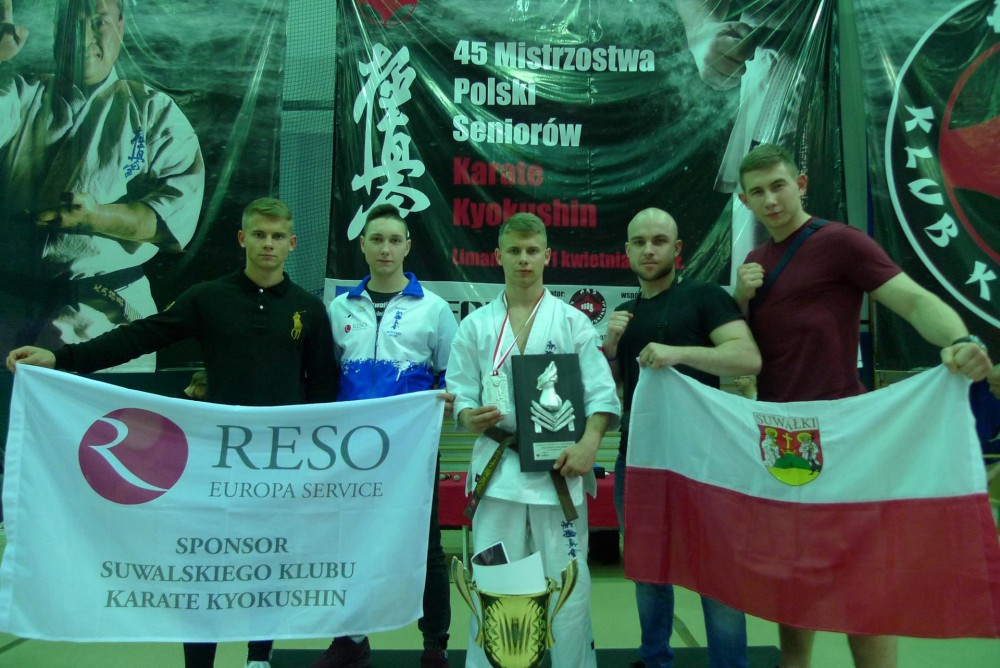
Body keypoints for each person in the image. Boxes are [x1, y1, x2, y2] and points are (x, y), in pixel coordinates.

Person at [6, 197, 338, 668]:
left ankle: (258, 658)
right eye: (259, 234)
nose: (268, 244)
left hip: (277, 463)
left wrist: (309, 460)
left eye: (277, 236)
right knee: (205, 568)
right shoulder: (208, 297)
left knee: (267, 563)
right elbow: (139, 336)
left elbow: (323, 390)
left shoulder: (309, 309)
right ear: (242, 238)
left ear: (292, 243)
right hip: (214, 464)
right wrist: (61, 358)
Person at [732, 143, 993, 668]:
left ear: (800, 184)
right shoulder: (754, 264)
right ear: (746, 201)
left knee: (861, 576)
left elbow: (912, 299)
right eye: (758, 192)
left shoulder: (840, 242)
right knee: (794, 573)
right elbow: (743, 352)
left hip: (843, 434)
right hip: (782, 436)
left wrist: (961, 339)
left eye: (778, 186)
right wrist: (739, 297)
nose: (771, 200)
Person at [446, 212, 620, 668]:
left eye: (531, 250)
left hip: (557, 472)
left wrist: (590, 445)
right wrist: (467, 414)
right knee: (495, 584)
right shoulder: (476, 326)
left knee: (568, 586)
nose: (523, 259)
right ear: (498, 256)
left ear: (547, 256)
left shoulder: (573, 323)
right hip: (498, 472)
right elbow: (460, 392)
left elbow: (601, 395)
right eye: (514, 251)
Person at [0, 0, 204, 369]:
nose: (84, 38)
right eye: (71, 26)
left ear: (121, 27)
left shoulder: (152, 110)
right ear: (56, 34)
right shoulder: (19, 95)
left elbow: (174, 221)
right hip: (10, 310)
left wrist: (93, 216)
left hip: (104, 316)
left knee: (105, 407)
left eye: (99, 23)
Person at [601, 207, 761, 668]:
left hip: (703, 458)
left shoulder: (705, 297)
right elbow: (614, 391)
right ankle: (654, 659)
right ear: (627, 250)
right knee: (647, 566)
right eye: (639, 242)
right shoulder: (627, 315)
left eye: (658, 240)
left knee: (717, 570)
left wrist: (679, 353)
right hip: (641, 458)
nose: (648, 249)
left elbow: (747, 357)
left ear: (677, 248)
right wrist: (610, 350)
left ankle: (730, 664)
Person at [319, 203, 457, 668]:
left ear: (408, 247)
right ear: (362, 244)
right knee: (351, 541)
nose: (385, 248)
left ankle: (435, 646)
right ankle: (350, 640)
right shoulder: (339, 308)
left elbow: (451, 376)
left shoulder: (434, 309)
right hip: (352, 451)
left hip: (413, 450)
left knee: (427, 546)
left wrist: (446, 400)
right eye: (376, 239)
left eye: (394, 240)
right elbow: (327, 376)